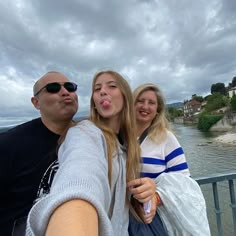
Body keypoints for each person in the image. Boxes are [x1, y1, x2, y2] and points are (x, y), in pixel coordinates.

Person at [25, 70, 140, 236]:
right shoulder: (85, 133)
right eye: (97, 88)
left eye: (112, 86)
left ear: (126, 96)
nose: (102, 91)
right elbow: (80, 175)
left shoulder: (129, 145)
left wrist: (150, 191)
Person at [0, 71, 78, 236]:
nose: (65, 92)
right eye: (53, 88)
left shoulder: (88, 137)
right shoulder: (9, 144)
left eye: (70, 87)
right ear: (36, 102)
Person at [127, 83, 210, 235]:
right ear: (131, 104)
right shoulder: (120, 137)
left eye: (151, 103)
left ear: (157, 110)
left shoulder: (166, 138)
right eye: (140, 100)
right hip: (120, 219)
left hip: (153, 219)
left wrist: (156, 198)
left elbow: (184, 183)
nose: (145, 106)